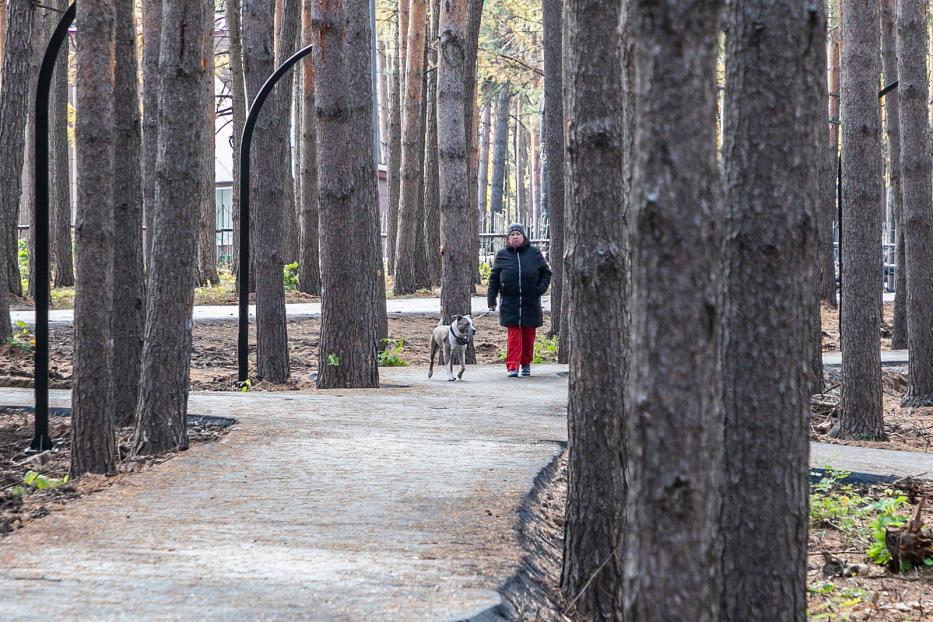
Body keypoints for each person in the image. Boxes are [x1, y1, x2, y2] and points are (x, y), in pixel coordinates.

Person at [487, 224, 552, 377]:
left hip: (531, 302)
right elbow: (494, 278)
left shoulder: (534, 253)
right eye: (512, 234)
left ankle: (526, 364)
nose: (515, 237)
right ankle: (513, 367)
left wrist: (539, 289)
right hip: (510, 303)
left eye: (518, 234)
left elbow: (546, 273)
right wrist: (491, 299)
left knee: (529, 335)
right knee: (514, 336)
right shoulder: (502, 255)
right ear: (508, 238)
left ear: (523, 237)